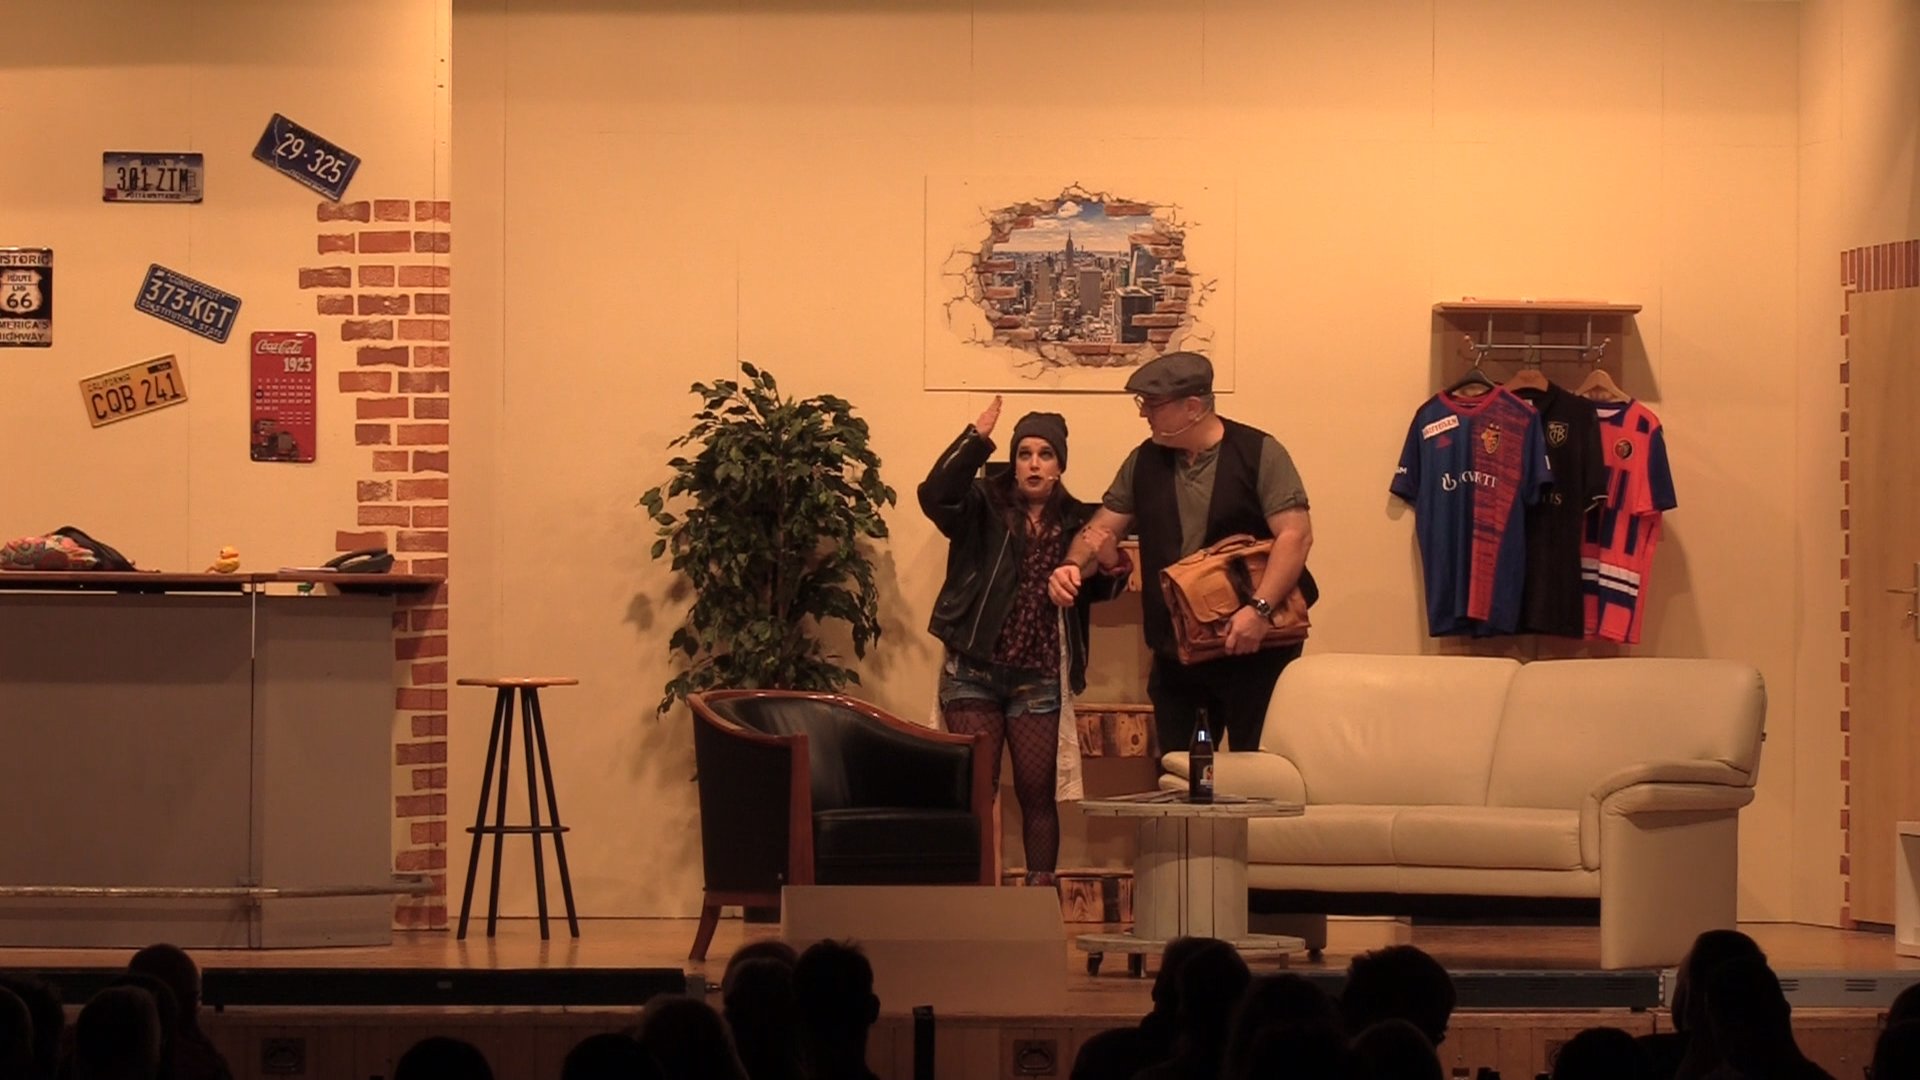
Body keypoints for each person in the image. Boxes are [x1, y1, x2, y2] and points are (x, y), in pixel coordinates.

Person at [1049, 351, 1313, 755]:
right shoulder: (1143, 461)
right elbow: (1100, 529)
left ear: (1193, 407)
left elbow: (1295, 536)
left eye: (1153, 404)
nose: (1144, 414)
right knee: (1183, 773)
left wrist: (1259, 610)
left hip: (1256, 651)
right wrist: (1071, 566)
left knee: (1258, 772)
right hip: (1179, 658)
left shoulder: (1261, 452)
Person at [920, 396, 1130, 885]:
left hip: (1038, 676)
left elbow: (1100, 590)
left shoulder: (1079, 520)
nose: (1034, 464)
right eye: (1024, 454)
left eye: (1045, 455)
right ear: (1013, 462)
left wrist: (1111, 561)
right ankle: (968, 898)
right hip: (973, 670)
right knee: (975, 791)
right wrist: (975, 439)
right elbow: (935, 496)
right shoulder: (981, 503)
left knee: (1037, 794)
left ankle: (1040, 902)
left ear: (1060, 466)